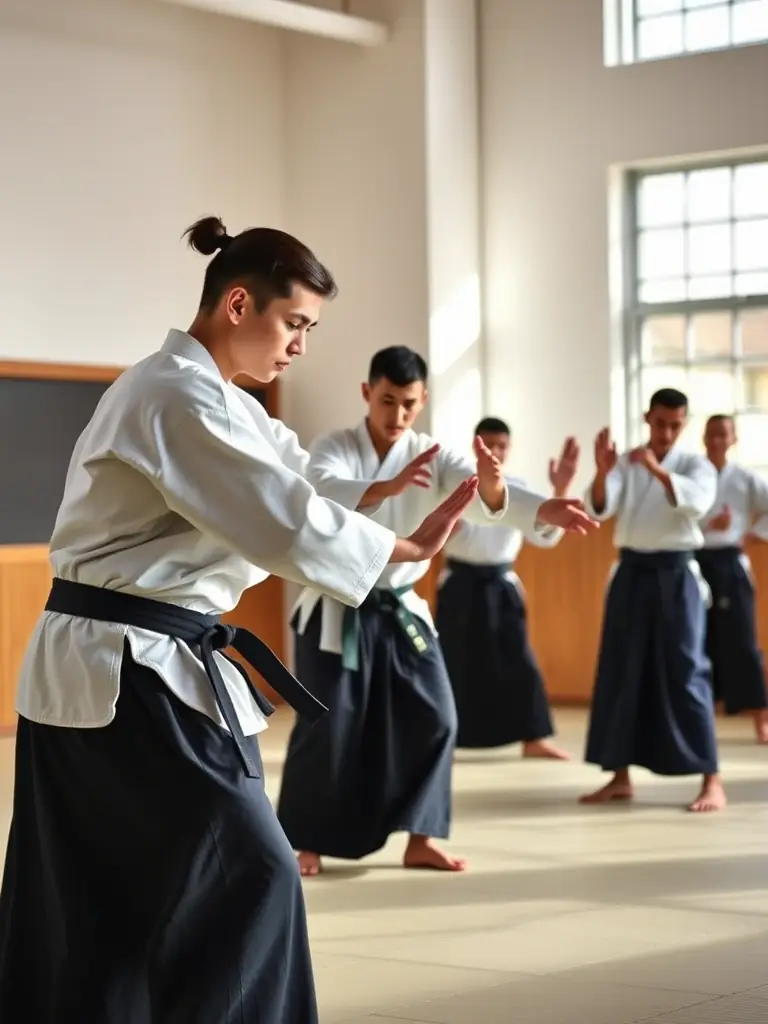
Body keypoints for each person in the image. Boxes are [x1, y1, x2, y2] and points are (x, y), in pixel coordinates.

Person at [0, 219, 483, 1024]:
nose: (301, 346)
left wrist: (384, 514)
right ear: (236, 303)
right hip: (128, 669)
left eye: (310, 330)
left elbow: (293, 484)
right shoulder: (173, 394)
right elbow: (277, 512)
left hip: (138, 663)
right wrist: (399, 546)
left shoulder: (221, 401)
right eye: (295, 323)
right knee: (245, 871)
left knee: (115, 888)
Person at [276, 346, 598, 877]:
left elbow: (479, 494)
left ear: (422, 400)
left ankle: (420, 838)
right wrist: (388, 487)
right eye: (386, 401)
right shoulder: (336, 446)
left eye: (407, 403)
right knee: (326, 725)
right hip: (338, 610)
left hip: (401, 610)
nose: (396, 414)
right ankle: (308, 841)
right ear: (366, 393)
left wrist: (534, 503)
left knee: (437, 717)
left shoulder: (434, 454)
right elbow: (322, 494)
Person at [580, 388, 725, 813]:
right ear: (647, 417)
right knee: (622, 669)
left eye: (674, 425)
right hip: (632, 573)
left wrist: (659, 472)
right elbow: (601, 508)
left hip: (676, 574)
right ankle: (619, 774)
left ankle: (711, 778)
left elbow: (697, 504)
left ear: (684, 423)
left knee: (687, 670)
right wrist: (602, 471)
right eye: (659, 423)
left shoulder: (695, 464)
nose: (665, 432)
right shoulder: (628, 460)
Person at [436, 417, 579, 757]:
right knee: (452, 662)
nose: (495, 452)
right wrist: (446, 525)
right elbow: (432, 533)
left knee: (519, 662)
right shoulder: (457, 483)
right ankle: (443, 737)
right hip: (460, 583)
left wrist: (560, 491)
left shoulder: (517, 487)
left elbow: (544, 537)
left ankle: (534, 738)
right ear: (476, 445)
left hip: (500, 585)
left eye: (502, 445)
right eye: (489, 445)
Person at [697, 414, 768, 744]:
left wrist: (748, 536)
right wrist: (709, 527)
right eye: (710, 434)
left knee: (743, 640)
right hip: (696, 560)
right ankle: (702, 714)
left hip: (731, 560)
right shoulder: (693, 475)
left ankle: (761, 718)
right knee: (700, 640)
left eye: (722, 434)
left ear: (733, 438)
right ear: (703, 437)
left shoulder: (745, 478)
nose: (716, 440)